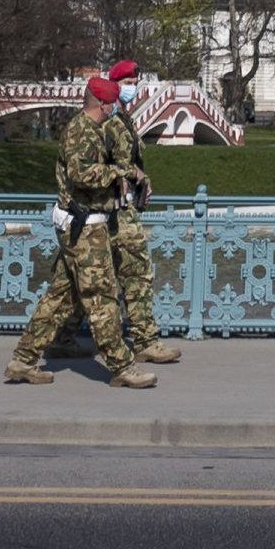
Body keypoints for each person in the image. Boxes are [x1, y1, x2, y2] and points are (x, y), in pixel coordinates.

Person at [4, 75, 157, 389]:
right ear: (102, 104)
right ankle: (123, 368)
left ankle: (23, 360)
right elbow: (82, 173)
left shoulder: (90, 129)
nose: (114, 106)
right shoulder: (81, 131)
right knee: (102, 299)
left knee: (60, 297)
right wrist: (120, 171)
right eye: (111, 101)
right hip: (84, 228)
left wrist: (125, 176)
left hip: (82, 225)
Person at [99, 59, 182, 365]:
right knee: (138, 273)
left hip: (117, 208)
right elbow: (112, 163)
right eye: (129, 82)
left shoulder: (123, 119)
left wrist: (140, 179)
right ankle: (145, 340)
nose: (134, 87)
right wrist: (137, 176)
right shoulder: (111, 120)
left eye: (136, 81)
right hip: (116, 210)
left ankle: (64, 336)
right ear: (115, 84)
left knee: (84, 277)